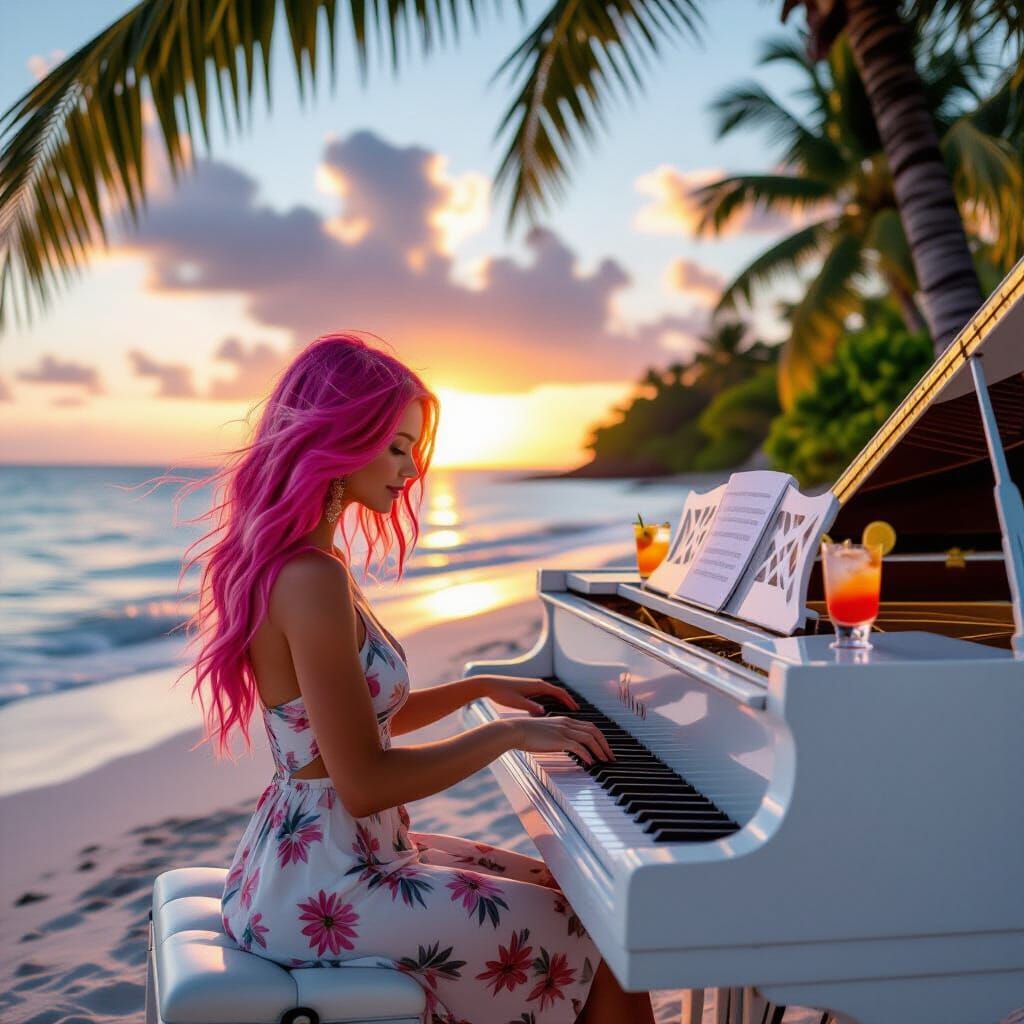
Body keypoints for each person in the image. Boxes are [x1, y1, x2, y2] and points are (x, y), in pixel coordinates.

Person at [170, 333, 656, 1024]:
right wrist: (508, 735)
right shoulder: (311, 578)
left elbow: (354, 723)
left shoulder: (309, 563)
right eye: (396, 447)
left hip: (332, 856)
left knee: (577, 893)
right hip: (326, 888)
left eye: (414, 449)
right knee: (596, 930)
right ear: (341, 441)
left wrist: (478, 690)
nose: (411, 469)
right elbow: (365, 780)